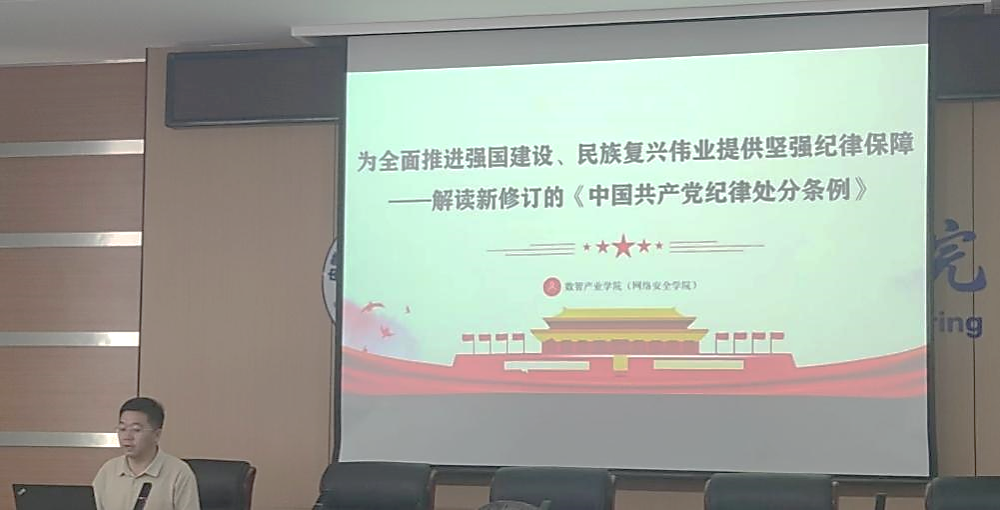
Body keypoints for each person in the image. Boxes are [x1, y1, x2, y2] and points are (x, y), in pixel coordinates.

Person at [93, 397, 201, 510]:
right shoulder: (108, 470)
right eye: (122, 429)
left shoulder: (179, 473)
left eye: (136, 430)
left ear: (156, 435)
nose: (127, 437)